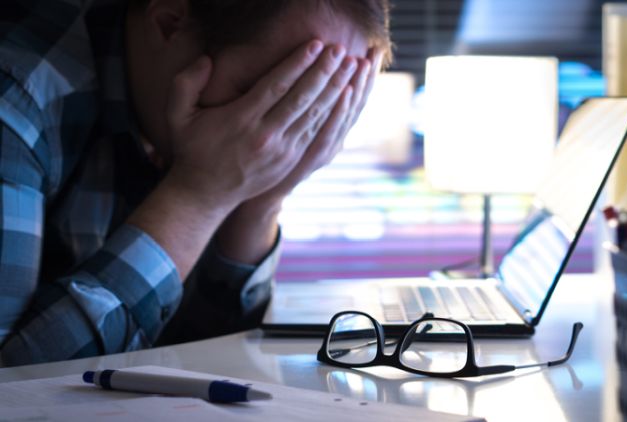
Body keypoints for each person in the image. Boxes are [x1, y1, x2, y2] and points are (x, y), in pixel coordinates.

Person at [0, 0, 391, 366]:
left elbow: (200, 356)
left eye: (318, 104)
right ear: (170, 22)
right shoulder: (15, 100)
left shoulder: (179, 111)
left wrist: (262, 200)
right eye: (264, 93)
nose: (273, 137)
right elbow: (12, 383)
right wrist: (197, 197)